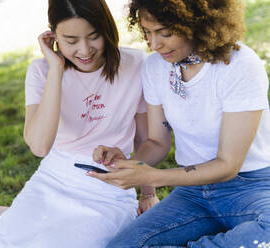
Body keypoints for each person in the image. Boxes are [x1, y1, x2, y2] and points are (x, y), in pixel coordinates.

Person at [0, 0, 159, 247]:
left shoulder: (137, 64)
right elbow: (40, 147)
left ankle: (10, 214)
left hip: (110, 182)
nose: (85, 50)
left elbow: (145, 138)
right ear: (53, 35)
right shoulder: (41, 71)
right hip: (55, 177)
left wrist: (148, 193)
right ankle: (11, 216)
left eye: (94, 36)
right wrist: (56, 69)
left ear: (107, 29)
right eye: (71, 41)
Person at [88, 0, 270, 247]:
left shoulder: (239, 64)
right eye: (148, 33)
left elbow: (228, 165)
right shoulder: (155, 67)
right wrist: (129, 163)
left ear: (197, 24)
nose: (154, 44)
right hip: (193, 193)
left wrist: (154, 177)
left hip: (250, 187)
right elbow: (156, 141)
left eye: (165, 33)